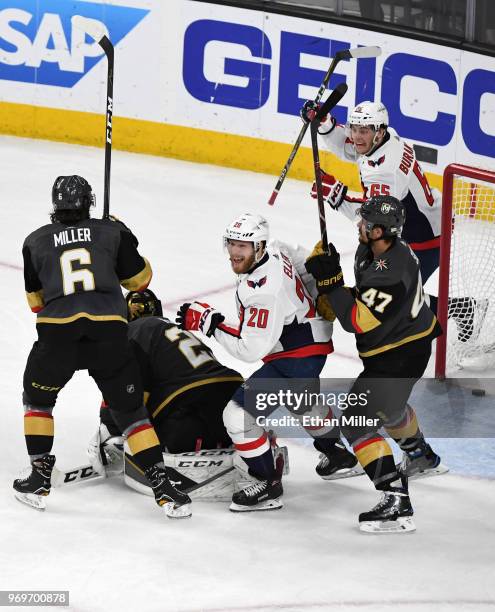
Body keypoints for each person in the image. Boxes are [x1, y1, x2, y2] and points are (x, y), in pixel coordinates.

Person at [14, 175, 190, 518]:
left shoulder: (34, 241)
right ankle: (162, 486)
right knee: (131, 414)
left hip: (58, 337)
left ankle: (38, 477)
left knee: (37, 400)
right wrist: (126, 237)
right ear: (89, 202)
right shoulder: (111, 232)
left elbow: (35, 303)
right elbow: (140, 282)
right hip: (108, 336)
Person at [176, 213, 335, 512]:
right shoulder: (276, 248)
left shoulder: (263, 290)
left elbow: (250, 348)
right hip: (310, 344)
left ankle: (267, 482)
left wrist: (210, 323)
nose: (236, 252)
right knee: (302, 401)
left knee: (237, 416)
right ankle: (336, 453)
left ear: (259, 247)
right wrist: (319, 287)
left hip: (295, 357)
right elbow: (302, 259)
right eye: (232, 243)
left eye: (244, 246)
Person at [305, 195, 444, 533]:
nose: (359, 225)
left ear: (381, 230)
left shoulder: (392, 271)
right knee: (390, 408)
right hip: (404, 348)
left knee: (356, 423)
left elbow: (357, 320)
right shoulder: (379, 251)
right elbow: (364, 296)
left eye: (365, 223)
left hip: (398, 356)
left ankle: (396, 498)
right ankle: (420, 454)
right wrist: (335, 278)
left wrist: (330, 284)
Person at [88, 288, 243, 471]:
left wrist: (110, 430)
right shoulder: (180, 332)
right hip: (233, 394)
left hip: (189, 408)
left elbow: (125, 393)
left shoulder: (131, 334)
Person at [300, 100, 442, 290]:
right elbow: (349, 145)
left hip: (424, 239)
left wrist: (336, 194)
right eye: (355, 129)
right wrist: (324, 123)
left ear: (379, 132)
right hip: (428, 219)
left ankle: (460, 309)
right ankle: (464, 308)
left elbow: (374, 221)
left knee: (390, 300)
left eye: (364, 131)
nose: (357, 136)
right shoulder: (387, 138)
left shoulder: (385, 173)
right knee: (396, 299)